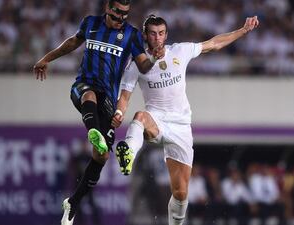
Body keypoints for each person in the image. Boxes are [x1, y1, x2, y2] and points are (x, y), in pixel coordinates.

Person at [111, 14, 259, 225]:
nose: (157, 38)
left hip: (181, 126)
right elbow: (124, 97)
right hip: (157, 120)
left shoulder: (180, 50)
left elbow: (214, 44)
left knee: (181, 193)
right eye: (152, 34)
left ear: (166, 35)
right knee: (140, 116)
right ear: (145, 36)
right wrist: (118, 113)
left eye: (161, 33)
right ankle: (128, 154)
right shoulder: (136, 65)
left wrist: (243, 30)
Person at [32, 1, 164, 225]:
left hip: (108, 101)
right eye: (117, 13)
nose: (121, 17)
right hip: (83, 87)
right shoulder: (90, 24)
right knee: (88, 94)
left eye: (125, 14)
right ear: (107, 8)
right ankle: (94, 132)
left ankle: (72, 203)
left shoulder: (131, 35)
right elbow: (72, 43)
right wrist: (46, 58)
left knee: (101, 156)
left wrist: (153, 58)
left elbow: (142, 66)